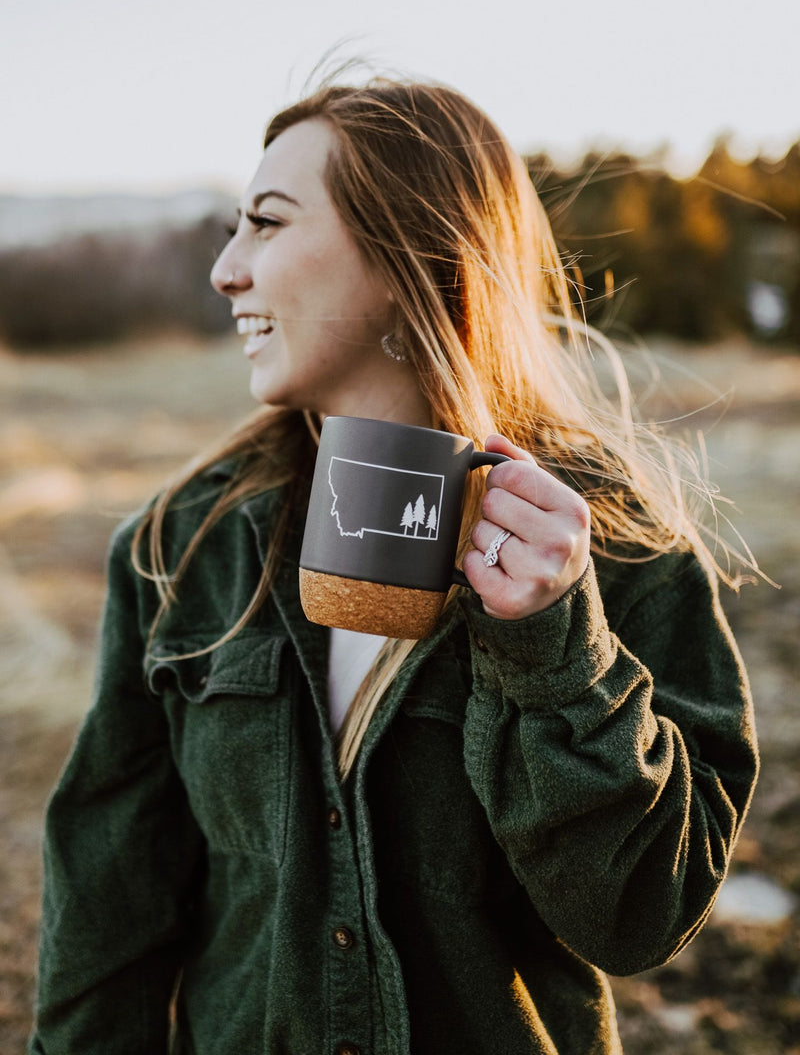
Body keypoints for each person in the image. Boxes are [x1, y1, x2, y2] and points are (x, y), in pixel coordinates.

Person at [30, 76, 759, 1055]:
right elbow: (106, 903)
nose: (224, 273)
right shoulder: (177, 550)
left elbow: (637, 918)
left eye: (267, 225)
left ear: (406, 255)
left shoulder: (613, 552)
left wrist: (553, 653)